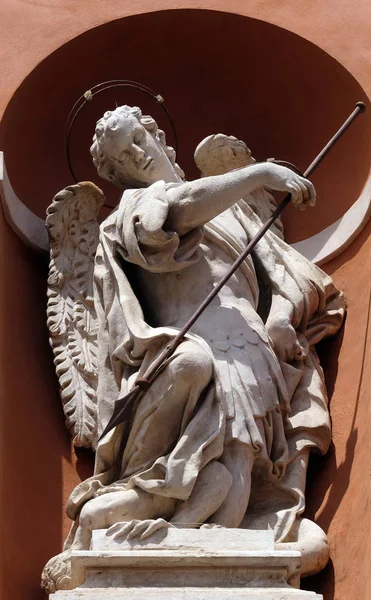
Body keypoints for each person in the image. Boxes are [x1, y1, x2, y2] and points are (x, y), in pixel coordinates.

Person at [42, 105, 345, 592]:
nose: (137, 155)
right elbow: (174, 216)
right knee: (193, 366)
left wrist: (283, 316)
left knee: (240, 458)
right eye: (123, 156)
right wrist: (258, 174)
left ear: (158, 133)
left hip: (250, 341)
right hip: (186, 345)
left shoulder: (239, 209)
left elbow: (285, 274)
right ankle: (173, 518)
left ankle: (218, 538)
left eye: (138, 138)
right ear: (118, 174)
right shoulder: (128, 215)